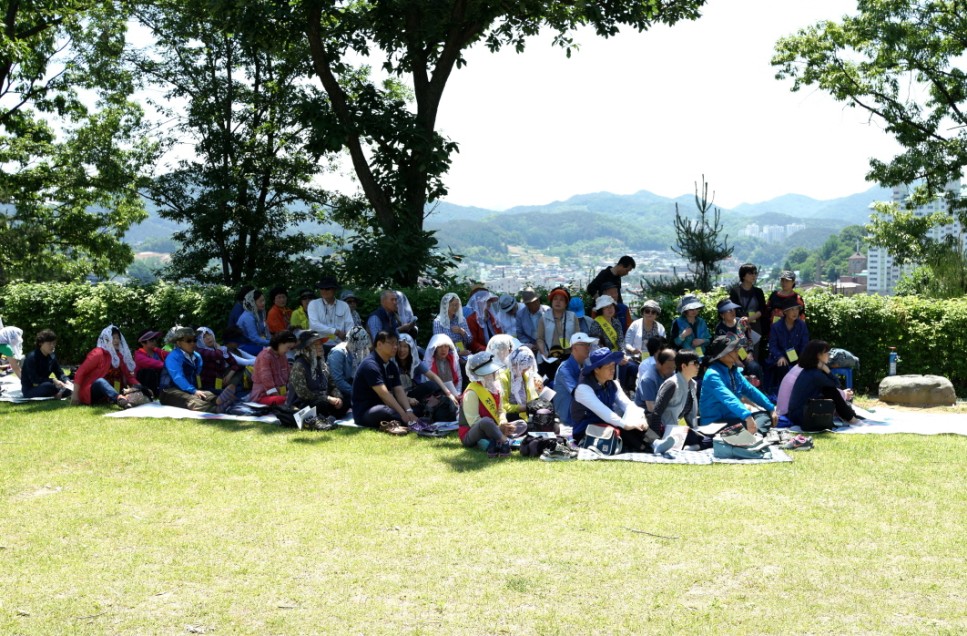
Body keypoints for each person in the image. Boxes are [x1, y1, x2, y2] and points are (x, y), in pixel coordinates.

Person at [570, 347, 651, 451]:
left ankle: (654, 443)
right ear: (596, 369)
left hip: (608, 423)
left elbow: (627, 404)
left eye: (613, 365)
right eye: (608, 366)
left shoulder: (613, 384)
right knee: (623, 428)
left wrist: (641, 419)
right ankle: (645, 448)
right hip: (586, 430)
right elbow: (605, 413)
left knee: (646, 419)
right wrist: (626, 425)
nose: (612, 369)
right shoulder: (583, 388)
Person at [699, 335, 777, 432]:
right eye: (733, 349)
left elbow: (751, 390)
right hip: (715, 423)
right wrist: (747, 416)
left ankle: (753, 434)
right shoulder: (712, 375)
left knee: (764, 415)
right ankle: (755, 434)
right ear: (723, 355)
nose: (737, 351)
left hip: (733, 418)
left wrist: (770, 408)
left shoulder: (734, 371)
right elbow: (728, 398)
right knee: (757, 421)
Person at [351, 330, 419, 433]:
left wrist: (409, 411)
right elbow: (384, 394)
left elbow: (399, 390)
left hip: (386, 406)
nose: (395, 347)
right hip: (367, 411)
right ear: (379, 344)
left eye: (396, 343)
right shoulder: (370, 365)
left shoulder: (391, 365)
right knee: (384, 411)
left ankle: (405, 420)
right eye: (391, 343)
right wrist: (403, 414)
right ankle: (404, 421)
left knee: (415, 408)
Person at [647, 350, 712, 453]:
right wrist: (655, 440)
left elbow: (689, 414)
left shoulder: (693, 384)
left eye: (699, 363)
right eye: (695, 363)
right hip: (664, 429)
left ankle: (690, 447)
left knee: (709, 438)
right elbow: (656, 413)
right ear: (683, 366)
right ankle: (668, 445)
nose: (698, 366)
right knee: (703, 439)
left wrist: (696, 429)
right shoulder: (671, 384)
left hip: (676, 429)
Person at [160, 326, 236, 412]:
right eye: (189, 341)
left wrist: (196, 390)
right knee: (190, 399)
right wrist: (193, 391)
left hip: (188, 388)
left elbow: (197, 374)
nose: (193, 343)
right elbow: (178, 377)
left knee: (206, 394)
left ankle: (218, 400)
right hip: (169, 391)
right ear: (178, 343)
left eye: (194, 340)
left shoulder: (197, 356)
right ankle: (215, 409)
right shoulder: (173, 357)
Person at [787, 340, 861, 429]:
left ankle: (849, 416)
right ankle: (851, 418)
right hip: (801, 416)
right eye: (826, 352)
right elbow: (836, 384)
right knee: (831, 391)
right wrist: (827, 370)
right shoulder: (815, 374)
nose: (829, 355)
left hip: (796, 414)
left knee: (829, 390)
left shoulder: (809, 370)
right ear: (818, 355)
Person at [458, 351, 515, 458]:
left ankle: (494, 440)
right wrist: (498, 428)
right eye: (490, 372)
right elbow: (474, 422)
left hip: (493, 428)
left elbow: (500, 410)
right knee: (485, 421)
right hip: (470, 433)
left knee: (521, 424)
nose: (494, 373)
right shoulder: (472, 392)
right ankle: (506, 441)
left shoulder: (495, 387)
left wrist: (503, 422)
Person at [71, 325, 142, 408]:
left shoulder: (119, 356)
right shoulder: (97, 353)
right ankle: (119, 399)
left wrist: (141, 387)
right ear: (106, 339)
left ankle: (121, 400)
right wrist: (75, 394)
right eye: (113, 338)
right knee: (101, 381)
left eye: (118, 338)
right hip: (93, 391)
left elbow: (129, 376)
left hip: (113, 390)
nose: (116, 340)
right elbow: (80, 372)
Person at [395, 332, 459, 421]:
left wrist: (449, 394)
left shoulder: (414, 361)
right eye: (400, 346)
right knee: (417, 410)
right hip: (398, 397)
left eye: (405, 346)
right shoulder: (391, 364)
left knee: (432, 385)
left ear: (410, 348)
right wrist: (407, 399)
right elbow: (391, 391)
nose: (402, 350)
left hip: (412, 393)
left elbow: (433, 376)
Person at [286, 330, 348, 420]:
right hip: (302, 404)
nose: (320, 347)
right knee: (321, 404)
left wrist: (338, 398)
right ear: (306, 348)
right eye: (315, 345)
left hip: (323, 399)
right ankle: (328, 416)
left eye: (320, 344)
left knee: (345, 399)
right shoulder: (299, 365)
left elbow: (332, 385)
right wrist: (327, 398)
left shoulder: (321, 363)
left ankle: (328, 416)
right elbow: (303, 394)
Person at [714, 298, 764, 386]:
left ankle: (760, 390)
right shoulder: (720, 329)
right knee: (737, 371)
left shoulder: (741, 322)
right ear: (722, 315)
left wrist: (750, 352)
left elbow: (749, 339)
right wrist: (736, 360)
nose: (732, 312)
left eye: (733, 309)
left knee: (755, 367)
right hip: (730, 358)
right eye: (729, 310)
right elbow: (722, 349)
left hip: (744, 355)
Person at [551, 332, 598, 427]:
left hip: (580, 417)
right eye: (584, 345)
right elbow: (579, 393)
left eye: (588, 345)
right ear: (574, 347)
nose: (588, 348)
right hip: (566, 422)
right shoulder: (565, 368)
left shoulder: (585, 365)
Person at [535, 286, 579, 377]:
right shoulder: (544, 317)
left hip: (568, 356)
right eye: (555, 299)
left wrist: (575, 355)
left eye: (561, 300)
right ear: (551, 301)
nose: (558, 302)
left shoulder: (572, 317)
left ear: (566, 303)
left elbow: (577, 337)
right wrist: (543, 353)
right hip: (549, 357)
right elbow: (540, 338)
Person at [766, 304, 810, 391]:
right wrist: (780, 356)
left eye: (797, 309)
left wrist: (802, 359)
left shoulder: (802, 325)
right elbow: (772, 345)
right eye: (792, 309)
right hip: (781, 356)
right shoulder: (776, 326)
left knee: (806, 366)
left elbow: (804, 344)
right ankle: (783, 391)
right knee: (782, 365)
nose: (795, 312)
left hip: (797, 356)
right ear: (785, 312)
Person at [729, 263, 768, 356]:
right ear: (743, 275)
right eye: (750, 273)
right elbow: (733, 309)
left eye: (755, 273)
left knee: (754, 352)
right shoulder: (735, 291)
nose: (753, 276)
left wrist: (750, 319)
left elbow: (762, 309)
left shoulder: (758, 291)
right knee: (740, 352)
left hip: (755, 325)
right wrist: (743, 321)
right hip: (739, 326)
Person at [249, 330, 298, 406]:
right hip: (263, 396)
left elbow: (289, 376)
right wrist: (281, 397)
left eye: (290, 348)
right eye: (288, 347)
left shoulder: (283, 356)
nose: (288, 350)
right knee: (283, 400)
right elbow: (267, 381)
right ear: (280, 343)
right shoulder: (265, 357)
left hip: (281, 394)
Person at [20, 329, 71, 399]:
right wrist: (53, 380)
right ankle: (58, 392)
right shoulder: (32, 357)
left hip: (47, 384)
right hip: (31, 389)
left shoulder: (52, 356)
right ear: (41, 343)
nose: (52, 346)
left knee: (69, 385)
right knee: (48, 386)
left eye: (54, 343)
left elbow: (59, 373)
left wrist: (66, 381)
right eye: (49, 344)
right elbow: (34, 380)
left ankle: (59, 393)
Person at [498, 345, 541, 422]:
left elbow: (532, 397)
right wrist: (523, 408)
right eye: (522, 369)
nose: (524, 372)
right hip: (513, 417)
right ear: (514, 364)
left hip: (528, 415)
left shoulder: (526, 375)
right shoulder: (503, 378)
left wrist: (539, 392)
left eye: (526, 369)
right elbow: (503, 406)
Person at [307, 277, 355, 345]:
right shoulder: (313, 304)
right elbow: (314, 325)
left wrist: (348, 338)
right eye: (321, 288)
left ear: (334, 289)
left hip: (340, 345)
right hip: (319, 345)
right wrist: (336, 331)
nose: (324, 291)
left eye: (327, 288)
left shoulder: (344, 305)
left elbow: (350, 325)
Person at [195, 327, 243, 392]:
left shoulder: (219, 349)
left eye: (209, 335)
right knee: (237, 388)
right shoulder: (201, 351)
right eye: (204, 337)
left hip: (219, 382)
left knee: (240, 371)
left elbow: (234, 364)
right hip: (207, 385)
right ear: (200, 340)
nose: (208, 338)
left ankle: (229, 390)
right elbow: (217, 355)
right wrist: (218, 348)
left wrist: (228, 376)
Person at [328, 325, 372, 397]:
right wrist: (357, 393)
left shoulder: (356, 351)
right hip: (337, 389)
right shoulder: (338, 353)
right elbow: (337, 381)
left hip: (350, 384)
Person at [634, 347, 676, 412]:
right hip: (646, 412)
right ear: (658, 364)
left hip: (664, 407)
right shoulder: (648, 379)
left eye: (674, 367)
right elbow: (651, 408)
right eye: (668, 368)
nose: (672, 371)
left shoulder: (670, 373)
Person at [432, 292, 472, 358]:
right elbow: (439, 345)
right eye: (452, 305)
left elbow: (469, 340)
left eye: (456, 305)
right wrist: (458, 353)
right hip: (447, 357)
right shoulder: (438, 322)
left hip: (464, 352)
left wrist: (462, 331)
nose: (455, 307)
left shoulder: (461, 319)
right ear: (445, 306)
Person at [425, 333, 462, 397]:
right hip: (436, 395)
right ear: (435, 348)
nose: (443, 349)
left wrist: (458, 393)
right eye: (440, 346)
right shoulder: (429, 362)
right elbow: (426, 382)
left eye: (446, 346)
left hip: (454, 394)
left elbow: (459, 378)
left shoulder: (453, 360)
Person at [236, 289, 270, 355]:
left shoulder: (260, 313)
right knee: (271, 351)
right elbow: (254, 338)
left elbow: (266, 331)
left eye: (263, 300)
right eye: (260, 301)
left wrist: (272, 340)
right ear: (252, 302)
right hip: (244, 346)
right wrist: (271, 342)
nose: (263, 303)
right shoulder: (248, 317)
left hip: (254, 344)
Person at [134, 330, 167, 396]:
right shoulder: (138, 355)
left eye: (155, 339)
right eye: (151, 340)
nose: (154, 342)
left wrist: (157, 350)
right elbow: (152, 363)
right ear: (143, 343)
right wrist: (168, 365)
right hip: (146, 384)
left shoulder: (157, 352)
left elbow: (171, 357)